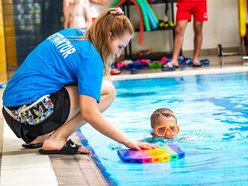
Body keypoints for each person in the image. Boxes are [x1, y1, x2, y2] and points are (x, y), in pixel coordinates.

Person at [2, 7, 157, 155]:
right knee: (108, 91)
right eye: (120, 46)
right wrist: (127, 141)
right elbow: (89, 113)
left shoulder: (73, 33)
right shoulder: (91, 57)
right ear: (109, 35)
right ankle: (57, 139)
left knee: (80, 85)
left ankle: (37, 137)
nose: (118, 54)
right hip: (29, 113)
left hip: (10, 112)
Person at [163, 0, 208, 70]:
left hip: (200, 2)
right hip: (184, 2)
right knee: (179, 29)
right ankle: (174, 60)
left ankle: (195, 58)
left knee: (198, 28)